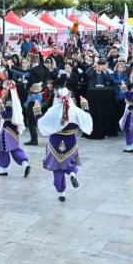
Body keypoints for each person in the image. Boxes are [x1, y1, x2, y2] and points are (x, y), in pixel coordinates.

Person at [38, 74, 93, 203]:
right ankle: (72, 173)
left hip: (55, 141)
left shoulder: (53, 111)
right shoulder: (75, 110)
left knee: (57, 168)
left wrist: (37, 112)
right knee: (70, 161)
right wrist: (86, 107)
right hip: (70, 141)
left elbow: (41, 123)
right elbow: (87, 118)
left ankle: (61, 193)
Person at [0, 80, 31, 177]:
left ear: (9, 90)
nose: (3, 90)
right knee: (14, 148)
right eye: (3, 88)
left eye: (5, 89)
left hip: (7, 127)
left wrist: (0, 106)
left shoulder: (9, 101)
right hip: (13, 128)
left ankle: (3, 169)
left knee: (2, 148)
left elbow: (6, 115)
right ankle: (25, 165)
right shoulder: (12, 99)